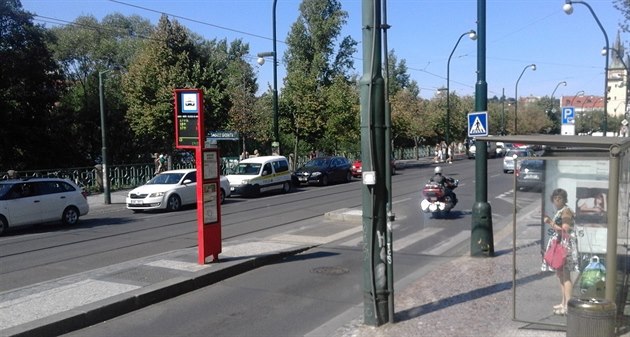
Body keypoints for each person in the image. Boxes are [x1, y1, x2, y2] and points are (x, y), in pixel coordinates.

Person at [541, 188, 579, 315]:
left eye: (560, 199)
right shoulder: (561, 211)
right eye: (555, 199)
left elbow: (565, 229)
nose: (557, 201)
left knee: (566, 275)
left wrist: (550, 222)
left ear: (564, 200)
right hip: (560, 244)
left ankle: (568, 305)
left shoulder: (566, 211)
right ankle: (564, 303)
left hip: (565, 245)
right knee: (561, 275)